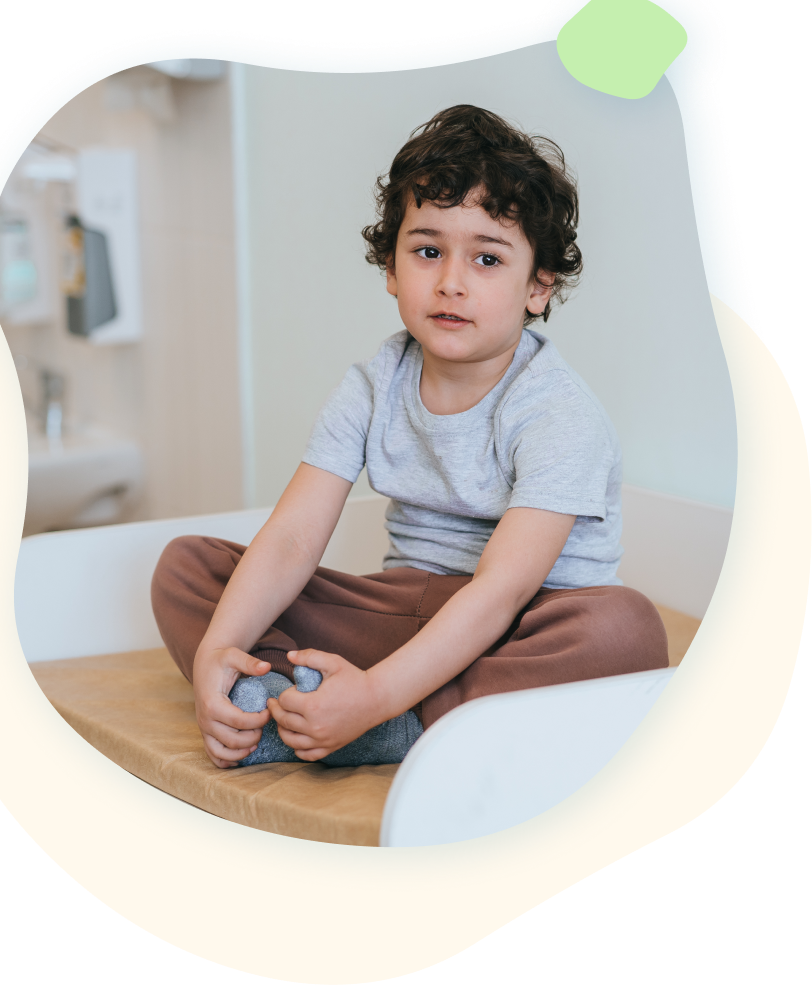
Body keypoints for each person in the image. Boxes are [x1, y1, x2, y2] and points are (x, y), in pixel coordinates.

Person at [151, 105, 668, 771]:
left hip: (520, 618)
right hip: (400, 612)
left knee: (622, 628)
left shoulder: (558, 413)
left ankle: (391, 721)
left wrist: (377, 694)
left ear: (538, 286)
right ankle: (275, 699)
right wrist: (215, 654)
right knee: (188, 569)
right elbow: (288, 541)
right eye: (427, 252)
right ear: (391, 269)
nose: (450, 281)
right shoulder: (371, 385)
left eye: (486, 258)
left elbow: (501, 591)